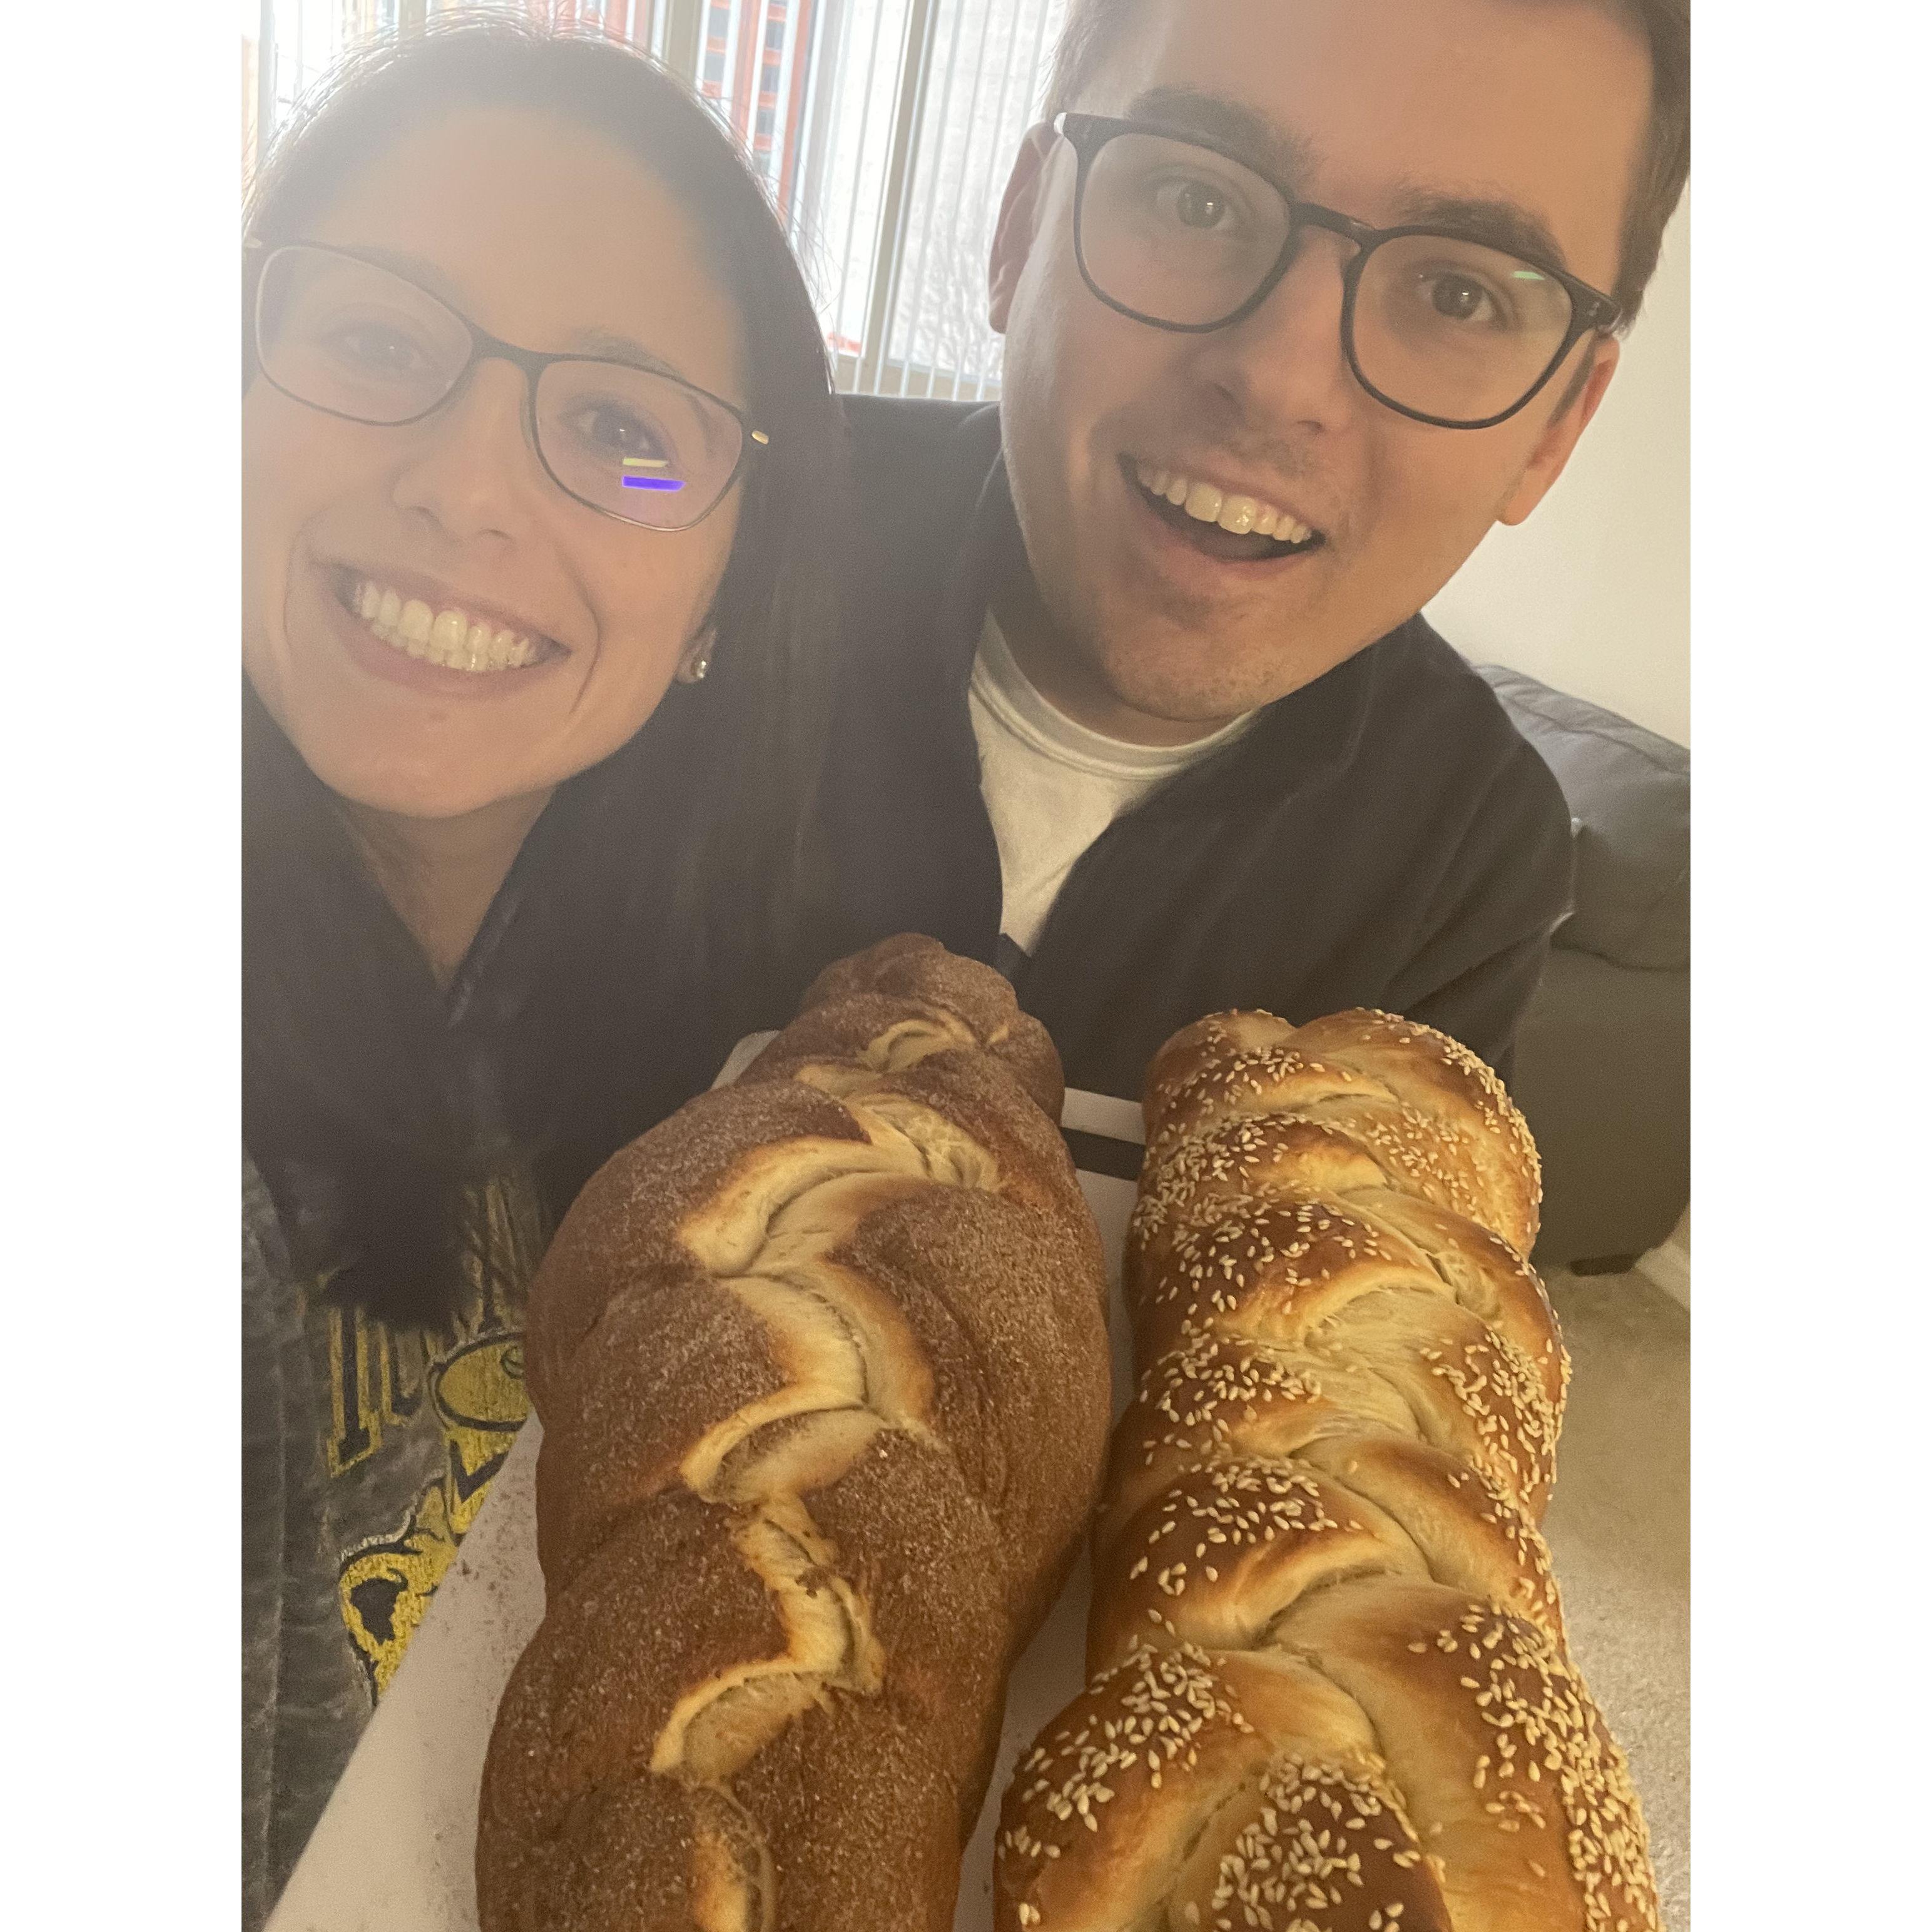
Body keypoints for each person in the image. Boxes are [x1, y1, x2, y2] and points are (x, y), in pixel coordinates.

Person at [238, 23, 846, 1924]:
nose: (467, 489)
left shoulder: (693, 1046)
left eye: (622, 429)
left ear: (724, 606)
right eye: (373, 339)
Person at [796, 0, 1691, 1112]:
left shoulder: (1466, 852)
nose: (1280, 378)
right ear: (1021, 229)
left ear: (1555, 428)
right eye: (1196, 198)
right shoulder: (707, 545)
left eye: (1459, 294)